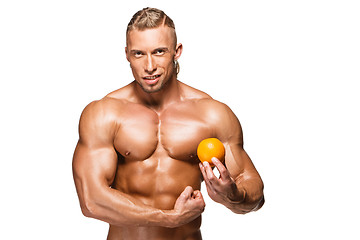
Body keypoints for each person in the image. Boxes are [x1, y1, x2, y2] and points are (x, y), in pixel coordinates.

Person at [72, 7, 264, 240]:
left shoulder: (211, 115)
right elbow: (91, 200)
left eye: (159, 51)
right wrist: (169, 218)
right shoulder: (104, 113)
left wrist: (232, 194)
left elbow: (254, 192)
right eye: (139, 54)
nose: (149, 65)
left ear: (177, 51)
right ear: (126, 54)